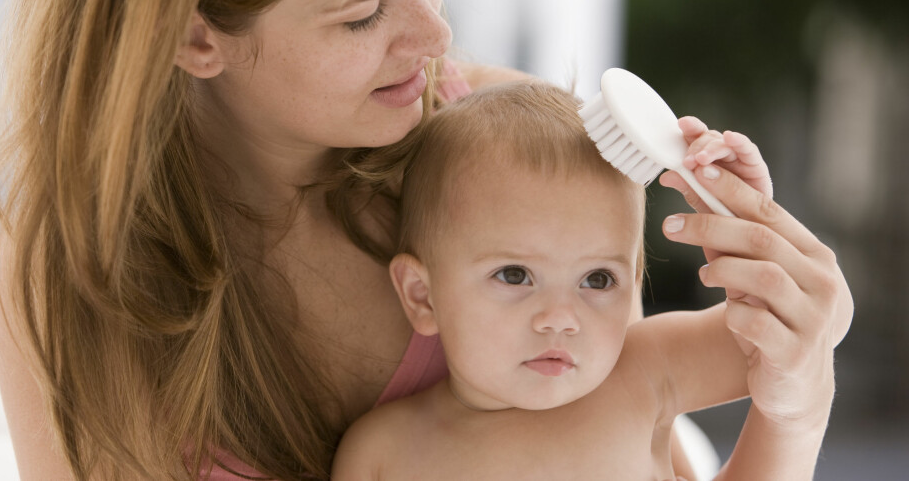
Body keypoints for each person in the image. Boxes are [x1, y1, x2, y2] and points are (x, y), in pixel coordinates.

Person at [0, 0, 852, 480]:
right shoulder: (77, 275)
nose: (437, 35)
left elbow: (655, 421)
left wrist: (798, 382)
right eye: (363, 13)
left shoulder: (495, 152)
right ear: (191, 33)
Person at [331, 81, 851, 480]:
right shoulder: (383, 453)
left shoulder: (645, 368)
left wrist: (754, 239)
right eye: (515, 275)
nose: (561, 317)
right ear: (423, 296)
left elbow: (821, 322)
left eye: (598, 279)